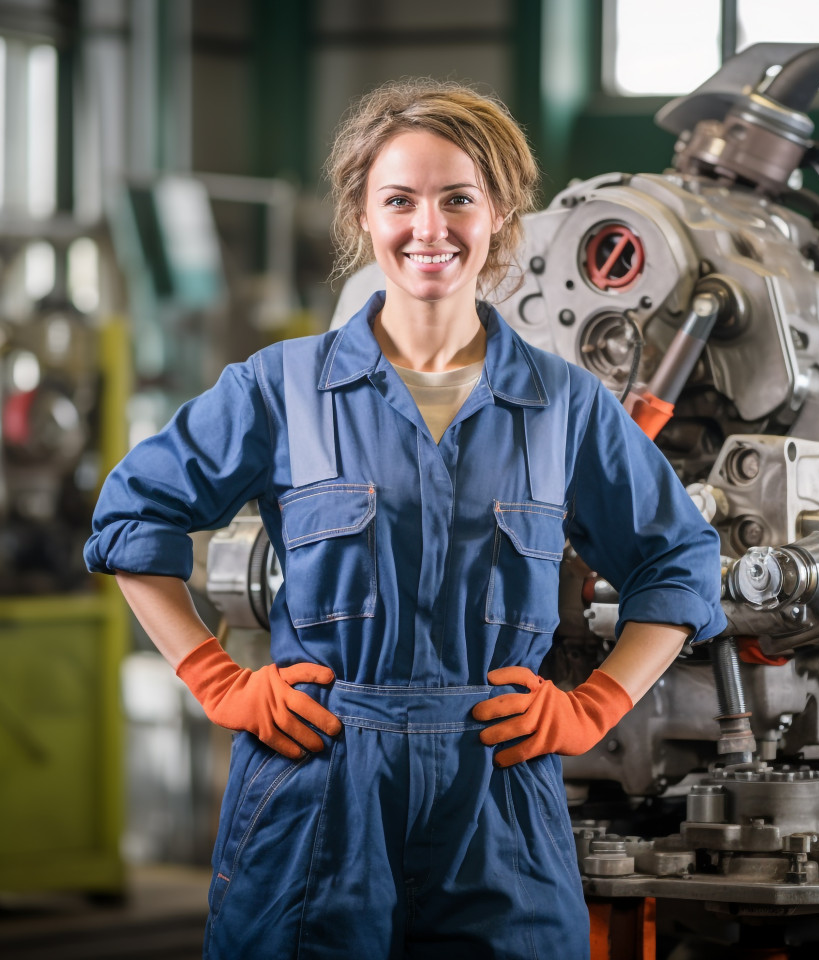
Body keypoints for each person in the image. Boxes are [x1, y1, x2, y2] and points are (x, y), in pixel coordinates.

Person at [85, 79, 726, 959]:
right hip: (319, 787)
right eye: (400, 201)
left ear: (501, 214)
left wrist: (595, 707)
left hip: (497, 792)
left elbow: (680, 561)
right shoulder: (280, 388)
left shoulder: (564, 404)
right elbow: (132, 514)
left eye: (458, 198)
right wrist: (218, 681)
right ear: (362, 213)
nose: (431, 229)